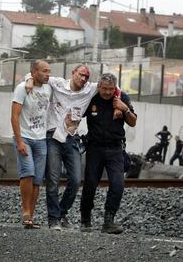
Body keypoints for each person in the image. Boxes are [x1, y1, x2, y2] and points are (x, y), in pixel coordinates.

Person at [26, 64, 123, 230]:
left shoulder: (91, 89)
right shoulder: (58, 83)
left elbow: (116, 88)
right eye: (81, 75)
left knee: (76, 180)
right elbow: (37, 76)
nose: (83, 79)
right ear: (73, 73)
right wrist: (28, 80)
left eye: (86, 76)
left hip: (71, 138)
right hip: (53, 136)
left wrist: (117, 105)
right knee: (53, 180)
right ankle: (54, 219)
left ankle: (62, 212)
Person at [80, 73, 137, 234]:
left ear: (115, 88)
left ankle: (109, 220)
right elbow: (76, 112)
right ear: (99, 87)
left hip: (115, 149)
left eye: (111, 89)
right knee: (90, 185)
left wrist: (124, 108)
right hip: (94, 148)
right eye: (104, 89)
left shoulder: (121, 97)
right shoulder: (92, 98)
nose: (107, 92)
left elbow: (132, 122)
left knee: (118, 185)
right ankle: (85, 219)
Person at [11, 60, 52, 229]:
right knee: (27, 173)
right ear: (34, 72)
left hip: (41, 139)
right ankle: (25, 211)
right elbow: (14, 116)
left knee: (37, 180)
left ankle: (31, 216)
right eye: (44, 71)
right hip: (25, 138)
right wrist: (19, 141)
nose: (48, 74)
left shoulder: (49, 88)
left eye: (49, 71)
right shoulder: (22, 88)